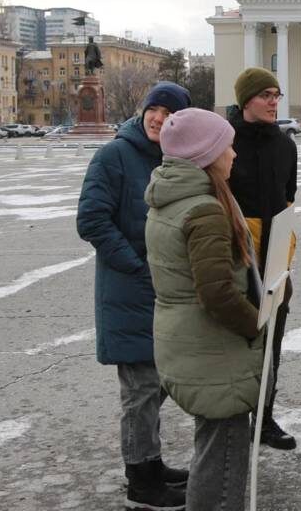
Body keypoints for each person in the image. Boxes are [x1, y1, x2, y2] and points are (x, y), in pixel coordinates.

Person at [76, 81, 192, 511]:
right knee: (141, 388)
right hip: (129, 289)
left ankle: (151, 463)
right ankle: (141, 482)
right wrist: (137, 266)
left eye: (169, 112)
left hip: (161, 291)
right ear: (143, 110)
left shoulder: (173, 157)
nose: (159, 118)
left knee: (156, 382)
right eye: (154, 109)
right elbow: (91, 220)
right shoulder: (114, 155)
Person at [145, 108, 263, 511]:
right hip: (211, 349)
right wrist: (256, 325)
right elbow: (217, 293)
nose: (233, 154)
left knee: (212, 450)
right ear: (206, 154)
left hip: (186, 341)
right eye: (226, 146)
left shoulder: (170, 199)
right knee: (224, 462)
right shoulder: (204, 210)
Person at [228, 67, 298, 450]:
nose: (273, 102)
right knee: (238, 342)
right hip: (238, 254)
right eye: (265, 95)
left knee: (273, 340)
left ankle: (265, 419)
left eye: (276, 94)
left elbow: (288, 196)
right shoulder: (226, 142)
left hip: (275, 256)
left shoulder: (286, 145)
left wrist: (283, 247)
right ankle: (233, 419)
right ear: (246, 100)